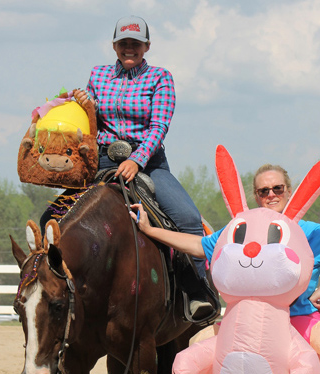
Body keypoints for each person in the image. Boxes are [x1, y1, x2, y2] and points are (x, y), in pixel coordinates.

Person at [129, 162, 320, 372]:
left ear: (289, 191)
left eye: (277, 188)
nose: (271, 194)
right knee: (196, 342)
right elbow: (198, 245)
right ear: (256, 196)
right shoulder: (240, 230)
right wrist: (151, 230)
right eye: (263, 190)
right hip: (244, 323)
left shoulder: (309, 232)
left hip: (297, 319)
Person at [71, 15, 215, 320]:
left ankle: (197, 289)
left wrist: (136, 160)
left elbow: (159, 125)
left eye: (135, 43)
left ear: (146, 46)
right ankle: (53, 287)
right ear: (114, 45)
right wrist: (83, 104)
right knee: (57, 213)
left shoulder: (160, 78)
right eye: (123, 43)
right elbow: (90, 121)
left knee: (187, 217)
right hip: (103, 158)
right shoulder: (97, 76)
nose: (129, 48)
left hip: (147, 161)